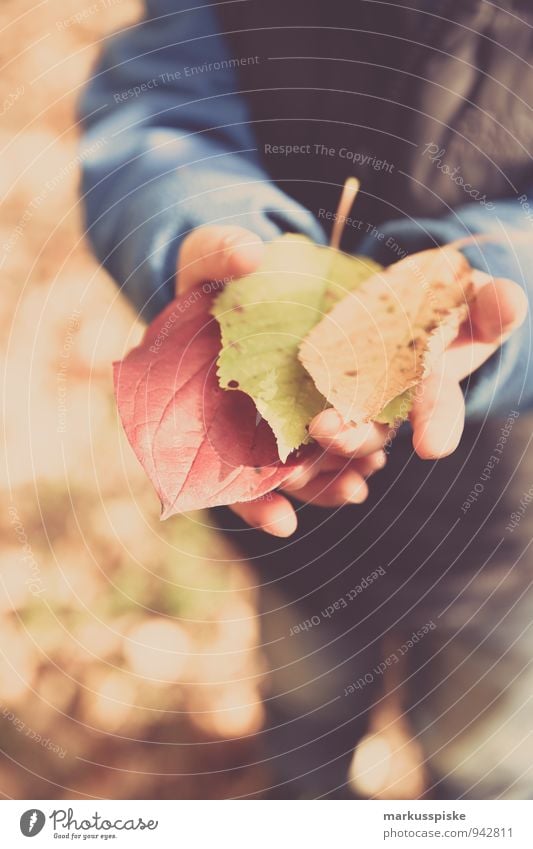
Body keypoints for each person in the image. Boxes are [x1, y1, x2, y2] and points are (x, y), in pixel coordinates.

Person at [79, 0, 532, 798]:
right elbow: (155, 107)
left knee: (483, 758)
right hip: (294, 519)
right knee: (305, 709)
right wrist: (201, 223)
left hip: (506, 536)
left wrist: (494, 275)